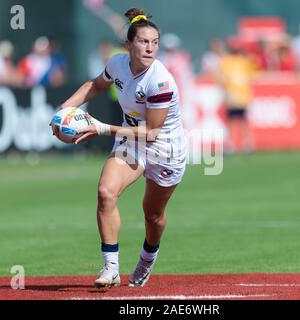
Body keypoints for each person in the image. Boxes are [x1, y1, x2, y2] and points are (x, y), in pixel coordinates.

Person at [59, 7, 187, 288]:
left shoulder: (160, 80)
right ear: (128, 45)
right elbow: (96, 84)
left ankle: (148, 256)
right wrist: (65, 109)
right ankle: (111, 268)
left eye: (155, 42)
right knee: (106, 192)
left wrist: (103, 128)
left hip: (165, 148)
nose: (150, 48)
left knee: (152, 215)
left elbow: (152, 132)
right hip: (131, 141)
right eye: (143, 41)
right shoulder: (117, 64)